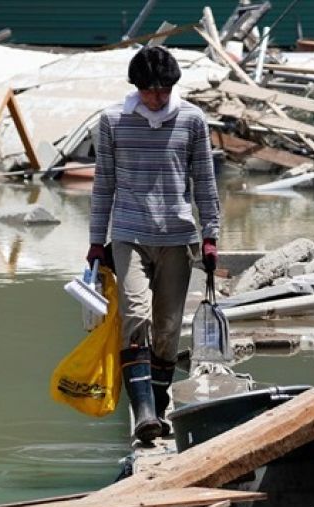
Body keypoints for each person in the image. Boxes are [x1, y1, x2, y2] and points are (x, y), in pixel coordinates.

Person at [87, 46, 221, 443]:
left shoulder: (193, 120)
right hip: (129, 233)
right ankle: (143, 411)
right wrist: (97, 242)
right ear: (136, 88)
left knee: (166, 329)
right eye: (149, 91)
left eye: (163, 91)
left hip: (178, 237)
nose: (156, 98)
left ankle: (158, 408)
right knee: (135, 316)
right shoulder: (113, 121)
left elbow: (205, 183)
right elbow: (103, 185)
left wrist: (210, 236)